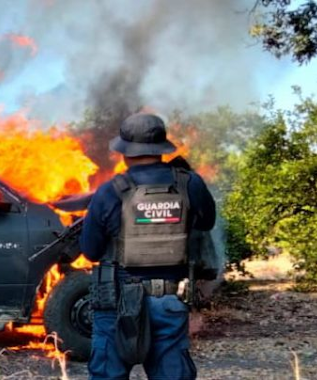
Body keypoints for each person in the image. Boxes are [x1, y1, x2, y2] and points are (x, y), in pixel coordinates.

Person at [80, 113, 216, 380]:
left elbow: (91, 251)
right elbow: (207, 222)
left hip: (117, 303)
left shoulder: (110, 191)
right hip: (168, 301)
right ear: (161, 149)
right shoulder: (189, 183)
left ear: (125, 152)